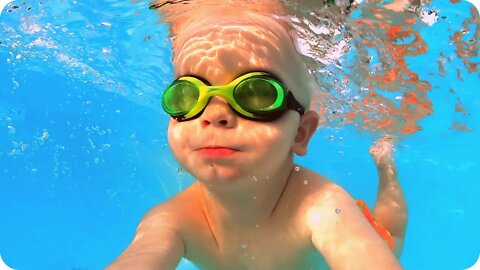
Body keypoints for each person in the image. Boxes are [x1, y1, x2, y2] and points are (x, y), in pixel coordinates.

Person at [107, 3, 407, 269]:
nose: (214, 114)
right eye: (187, 96)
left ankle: (386, 166)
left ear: (301, 134)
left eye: (256, 93)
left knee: (392, 237)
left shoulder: (322, 205)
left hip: (364, 231)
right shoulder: (171, 221)